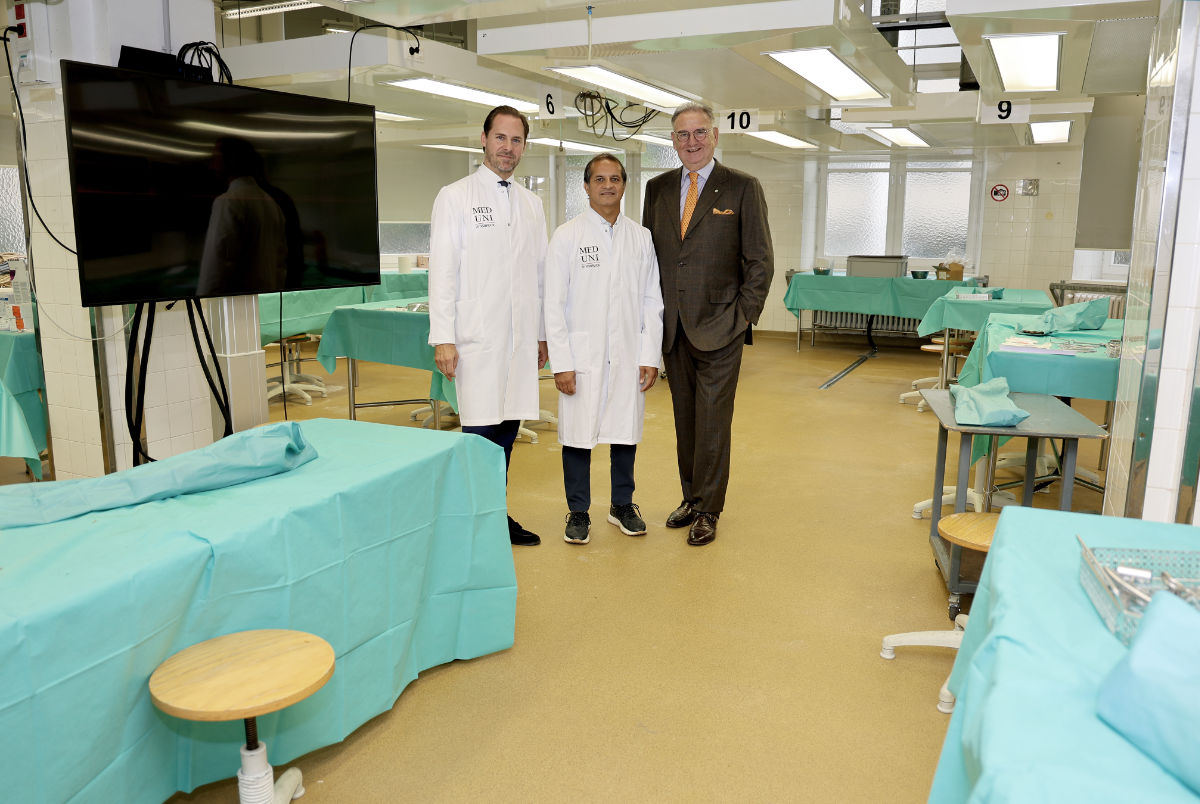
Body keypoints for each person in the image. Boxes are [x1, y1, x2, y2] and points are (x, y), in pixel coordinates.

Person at [640, 102, 774, 546]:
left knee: (713, 422)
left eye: (699, 133)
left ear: (715, 136)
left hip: (721, 327)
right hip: (672, 328)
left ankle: (709, 510)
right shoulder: (657, 190)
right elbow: (649, 260)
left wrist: (742, 318)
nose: (691, 142)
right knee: (685, 420)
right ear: (673, 140)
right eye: (682, 135)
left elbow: (760, 262)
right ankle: (690, 496)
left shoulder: (741, 187)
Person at [428, 106, 549, 546]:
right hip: (474, 338)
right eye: (501, 138)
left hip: (518, 340)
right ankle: (470, 521)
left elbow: (539, 274)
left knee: (507, 431)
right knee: (478, 435)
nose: (508, 148)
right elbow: (442, 271)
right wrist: (443, 336)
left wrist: (541, 332)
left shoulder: (531, 203)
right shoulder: (455, 196)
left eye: (516, 141)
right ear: (483, 139)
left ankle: (494, 514)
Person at [544, 154, 664, 545]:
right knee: (578, 435)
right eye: (600, 179)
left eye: (615, 179)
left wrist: (650, 355)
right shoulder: (567, 236)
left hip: (628, 352)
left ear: (624, 185)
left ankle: (621, 505)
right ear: (586, 186)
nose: (607, 185)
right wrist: (562, 362)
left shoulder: (640, 237)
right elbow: (553, 304)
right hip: (582, 357)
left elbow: (651, 300)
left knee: (624, 430)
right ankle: (578, 510)